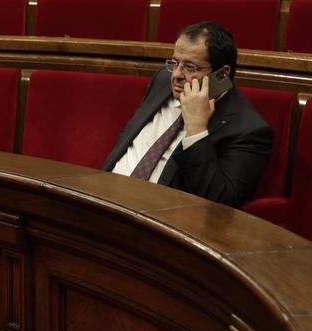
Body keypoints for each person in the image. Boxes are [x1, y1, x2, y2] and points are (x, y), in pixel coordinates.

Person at [102, 21, 272, 208]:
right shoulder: (162, 81)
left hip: (153, 219)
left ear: (222, 74)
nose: (176, 75)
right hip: (104, 196)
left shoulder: (248, 130)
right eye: (175, 63)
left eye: (190, 67)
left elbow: (219, 205)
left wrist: (196, 130)